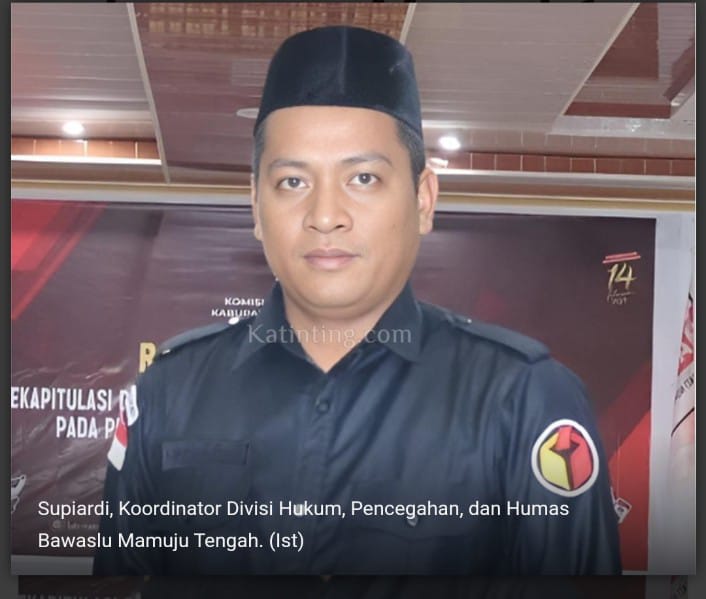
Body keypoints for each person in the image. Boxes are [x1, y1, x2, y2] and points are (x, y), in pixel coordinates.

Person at [94, 25, 621, 576]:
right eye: (293, 182)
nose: (325, 216)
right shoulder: (169, 392)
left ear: (423, 200)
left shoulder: (523, 400)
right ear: (255, 207)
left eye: (363, 178)